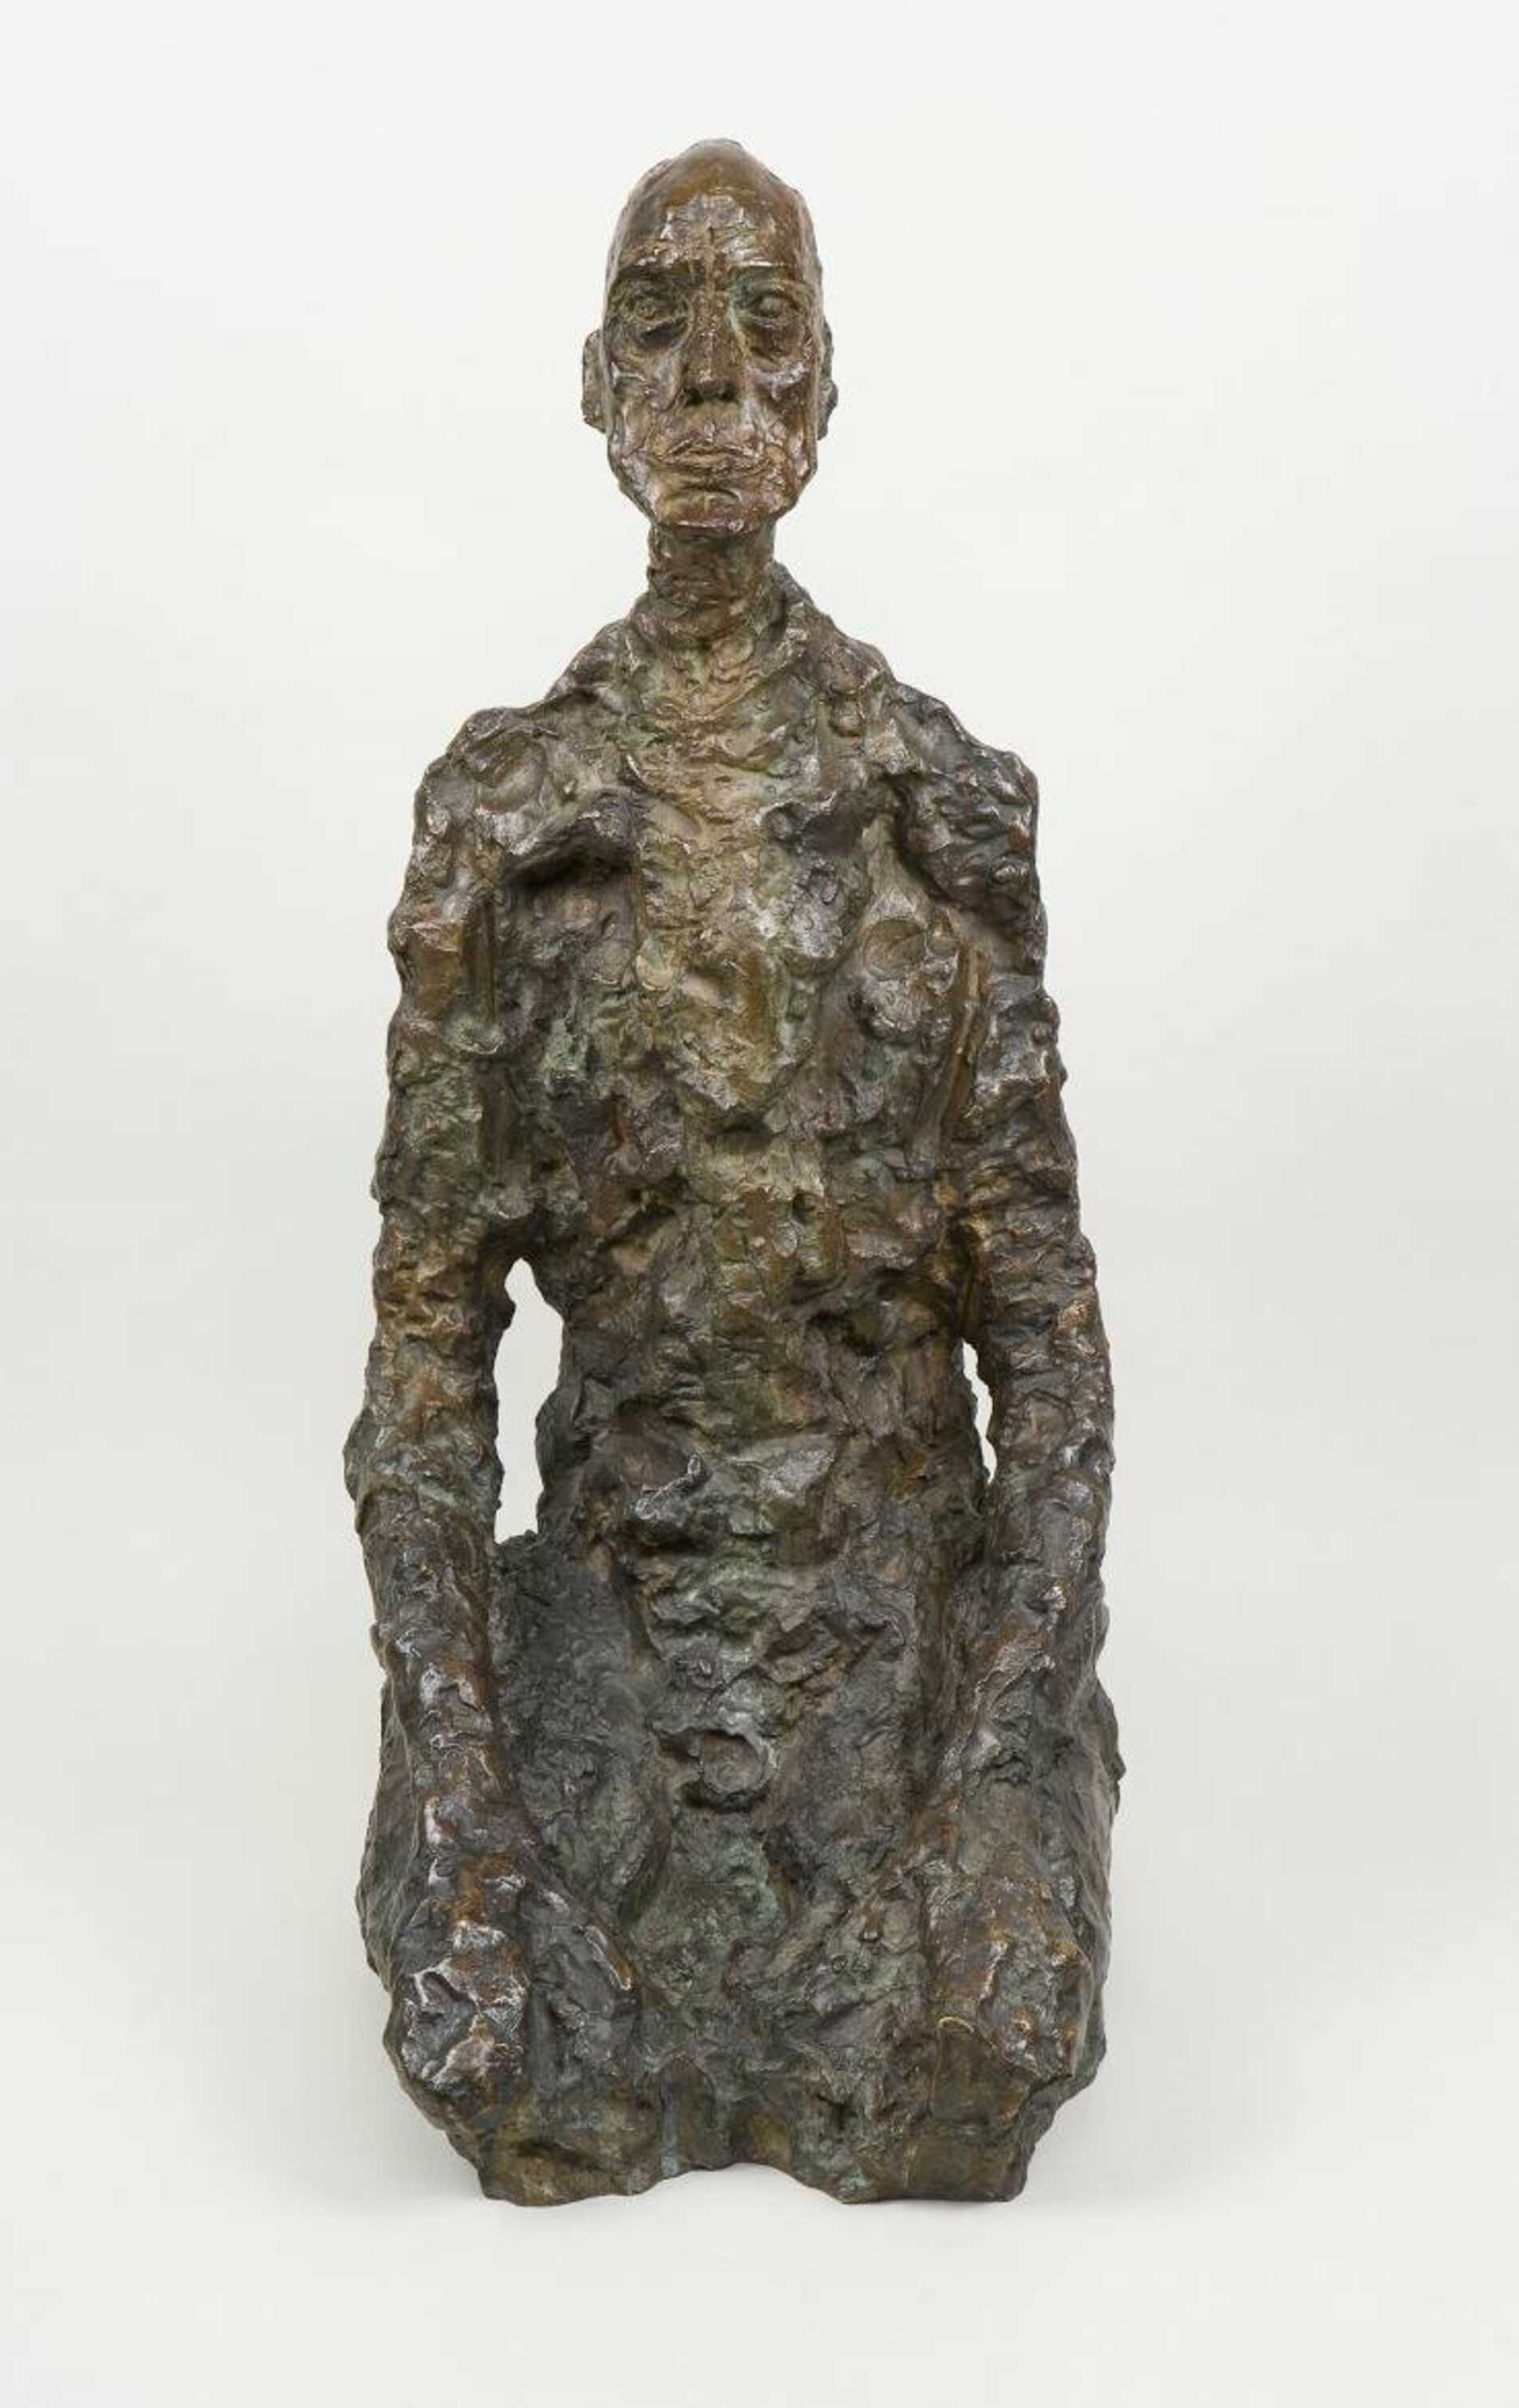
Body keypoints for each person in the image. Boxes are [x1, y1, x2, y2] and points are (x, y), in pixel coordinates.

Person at [346, 139, 1119, 2203]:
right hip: (610, 1630)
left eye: (764, 328)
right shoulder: (503, 824)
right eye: (659, 326)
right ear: (594, 388)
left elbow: (1052, 1373)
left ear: (825, 392)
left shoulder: (941, 816)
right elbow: (420, 1384)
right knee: (495, 2025)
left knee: (983, 2027)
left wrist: (999, 1756)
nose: (711, 379)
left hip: (894, 1635)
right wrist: (464, 1788)